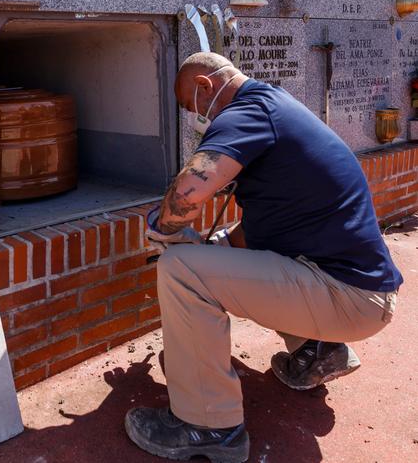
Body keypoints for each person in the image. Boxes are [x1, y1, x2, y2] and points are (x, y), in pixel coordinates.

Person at [124, 52, 403, 462]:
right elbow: (252, 239)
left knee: (179, 269)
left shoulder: (246, 112)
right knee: (213, 252)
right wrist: (209, 249)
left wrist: (162, 227)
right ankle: (320, 351)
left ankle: (208, 426)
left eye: (191, 107)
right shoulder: (275, 108)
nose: (195, 118)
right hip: (357, 292)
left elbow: (190, 189)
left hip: (347, 296)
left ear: (205, 86)